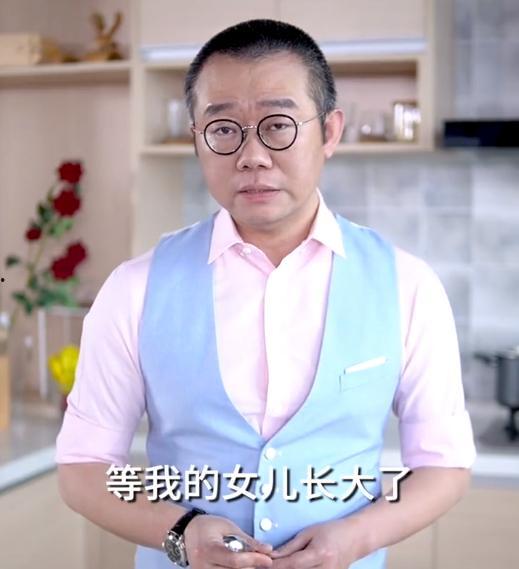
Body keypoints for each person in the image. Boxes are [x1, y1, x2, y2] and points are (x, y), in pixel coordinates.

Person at [56, 18, 476, 569]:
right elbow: (83, 468)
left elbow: (443, 466)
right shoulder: (135, 288)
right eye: (223, 129)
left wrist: (355, 538)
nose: (252, 155)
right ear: (197, 138)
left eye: (278, 125)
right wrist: (181, 532)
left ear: (329, 132)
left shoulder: (407, 284)